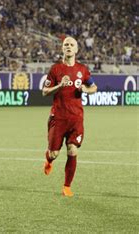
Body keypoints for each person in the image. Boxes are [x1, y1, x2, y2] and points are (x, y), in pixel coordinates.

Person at [42, 37, 97, 197]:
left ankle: (67, 186)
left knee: (72, 150)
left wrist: (85, 90)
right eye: (66, 44)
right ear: (62, 49)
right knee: (54, 154)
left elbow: (94, 87)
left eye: (72, 44)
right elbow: (44, 92)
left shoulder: (83, 69)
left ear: (76, 49)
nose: (68, 46)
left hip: (76, 118)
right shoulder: (55, 69)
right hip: (58, 118)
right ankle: (48, 160)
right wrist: (60, 85)